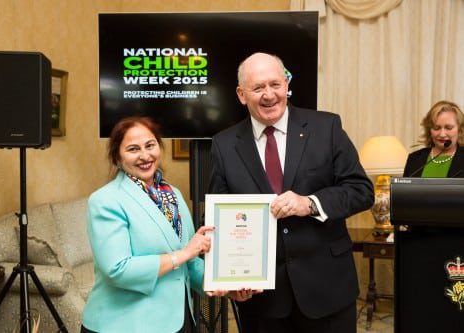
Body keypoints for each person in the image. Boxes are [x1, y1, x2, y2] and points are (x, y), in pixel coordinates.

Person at [208, 52, 374, 333]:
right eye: (258, 88)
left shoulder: (326, 127)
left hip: (327, 290)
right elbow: (216, 217)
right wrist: (231, 279)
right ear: (241, 94)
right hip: (262, 301)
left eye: (275, 84)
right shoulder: (224, 145)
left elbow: (360, 190)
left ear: (287, 84)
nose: (269, 95)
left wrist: (310, 203)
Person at [81, 117, 221, 333]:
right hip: (126, 325)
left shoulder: (173, 195)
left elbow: (191, 264)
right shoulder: (105, 200)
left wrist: (224, 284)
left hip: (179, 320)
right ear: (117, 157)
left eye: (150, 145)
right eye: (133, 149)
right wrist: (183, 254)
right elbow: (118, 270)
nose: (145, 156)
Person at [403, 100, 464, 178]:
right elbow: (405, 189)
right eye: (436, 128)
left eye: (448, 128)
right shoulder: (414, 158)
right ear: (429, 130)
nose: (442, 134)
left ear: (460, 129)